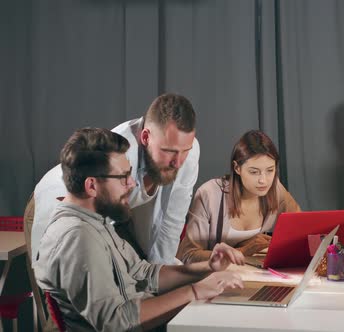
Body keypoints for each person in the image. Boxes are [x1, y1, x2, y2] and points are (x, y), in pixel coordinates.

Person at [33, 128, 244, 331]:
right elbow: (116, 322)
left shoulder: (97, 222)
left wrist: (208, 267)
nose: (133, 184)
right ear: (91, 186)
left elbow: (145, 274)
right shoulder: (78, 237)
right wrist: (195, 291)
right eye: (123, 177)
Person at [30, 93, 200, 264]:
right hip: (55, 201)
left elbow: (171, 221)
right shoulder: (119, 154)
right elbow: (91, 217)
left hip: (113, 212)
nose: (178, 162)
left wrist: (161, 272)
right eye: (169, 151)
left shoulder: (188, 153)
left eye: (185, 150)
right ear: (146, 137)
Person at [177, 130, 300, 263]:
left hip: (249, 275)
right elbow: (188, 255)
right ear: (237, 168)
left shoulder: (275, 190)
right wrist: (242, 251)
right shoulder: (209, 194)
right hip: (210, 278)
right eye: (254, 172)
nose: (263, 180)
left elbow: (303, 229)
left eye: (270, 170)